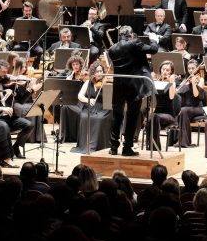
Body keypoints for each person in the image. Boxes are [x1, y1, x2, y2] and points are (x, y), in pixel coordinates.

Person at [108, 25, 159, 156]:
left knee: (117, 116)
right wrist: (153, 39)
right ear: (130, 34)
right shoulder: (134, 43)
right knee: (131, 116)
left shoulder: (112, 49)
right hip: (134, 85)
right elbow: (154, 50)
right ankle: (127, 148)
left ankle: (113, 147)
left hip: (118, 85)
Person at [70, 60, 112, 153]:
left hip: (103, 108)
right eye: (97, 71)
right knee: (84, 116)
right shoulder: (88, 82)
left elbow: (110, 100)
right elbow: (80, 96)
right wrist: (88, 100)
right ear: (93, 72)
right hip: (89, 107)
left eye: (101, 71)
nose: (100, 73)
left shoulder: (106, 83)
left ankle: (100, 145)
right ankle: (85, 145)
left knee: (100, 119)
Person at [148, 60, 180, 149]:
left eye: (167, 70)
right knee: (148, 115)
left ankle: (154, 148)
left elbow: (171, 97)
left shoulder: (172, 83)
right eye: (163, 69)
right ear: (160, 70)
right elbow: (151, 99)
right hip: (156, 113)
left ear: (171, 72)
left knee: (153, 117)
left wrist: (171, 83)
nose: (165, 72)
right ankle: (151, 146)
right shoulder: (156, 82)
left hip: (168, 114)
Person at [177, 60, 207, 148]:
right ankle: (178, 140)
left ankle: (185, 142)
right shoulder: (185, 79)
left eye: (193, 68)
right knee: (179, 109)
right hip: (187, 107)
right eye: (189, 68)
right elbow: (179, 91)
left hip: (197, 107)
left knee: (183, 110)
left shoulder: (200, 79)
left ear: (197, 68)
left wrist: (193, 84)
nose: (191, 70)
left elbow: (197, 95)